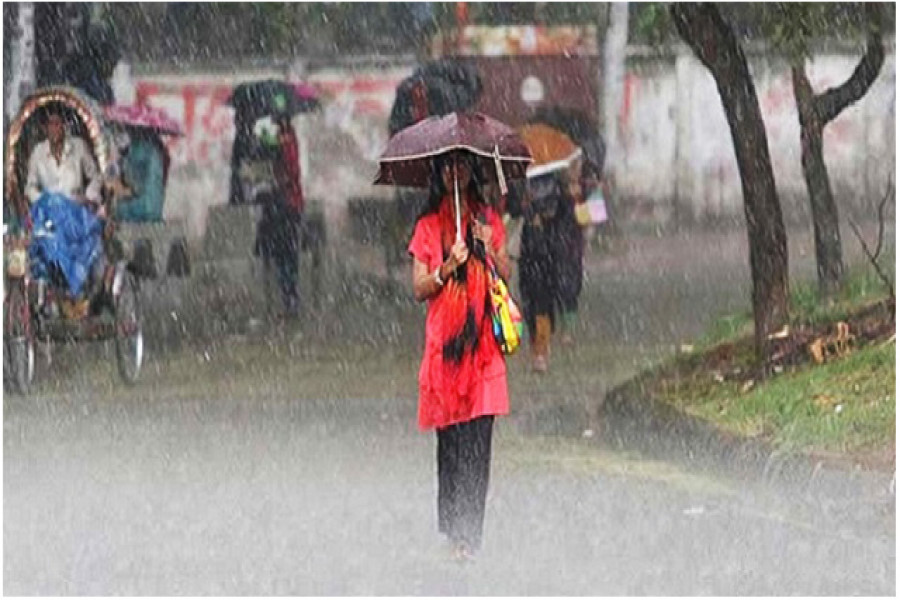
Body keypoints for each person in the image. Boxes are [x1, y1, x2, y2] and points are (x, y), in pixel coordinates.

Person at [408, 151, 510, 561]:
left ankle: (470, 535)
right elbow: (418, 288)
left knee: (477, 446)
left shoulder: (486, 221)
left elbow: (505, 274)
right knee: (451, 447)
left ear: (473, 171)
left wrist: (489, 247)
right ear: (439, 173)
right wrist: (447, 266)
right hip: (445, 352)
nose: (456, 173)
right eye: (448, 167)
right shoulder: (429, 227)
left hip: (482, 347)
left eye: (463, 166)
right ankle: (454, 530)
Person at [25, 105, 102, 209]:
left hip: (76, 209)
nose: (54, 129)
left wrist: (89, 196)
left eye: (57, 124)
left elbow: (96, 177)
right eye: (50, 125)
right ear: (45, 129)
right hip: (49, 210)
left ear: (64, 126)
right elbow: (30, 187)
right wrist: (44, 201)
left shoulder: (79, 146)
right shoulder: (38, 152)